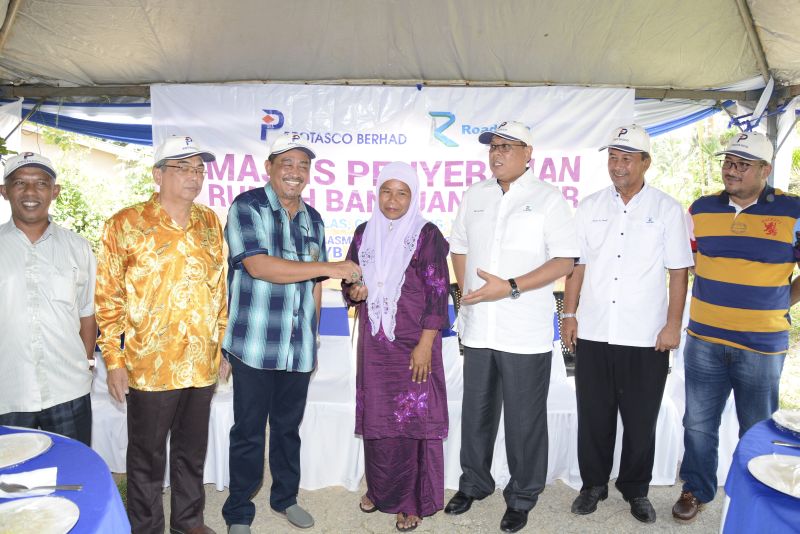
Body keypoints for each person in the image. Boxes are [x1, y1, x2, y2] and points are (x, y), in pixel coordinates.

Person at [221, 133, 362, 533]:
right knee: (248, 432)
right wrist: (332, 267)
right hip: (254, 344)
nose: (295, 172)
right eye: (287, 163)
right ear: (269, 167)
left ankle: (285, 498)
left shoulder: (313, 218)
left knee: (287, 430)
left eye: (303, 165)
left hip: (298, 347)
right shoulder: (247, 207)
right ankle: (238, 511)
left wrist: (312, 336)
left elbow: (315, 284)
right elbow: (259, 267)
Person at [445, 121, 579, 533]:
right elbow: (460, 247)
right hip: (480, 325)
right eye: (493, 147)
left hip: (523, 328)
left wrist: (512, 287)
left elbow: (565, 260)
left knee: (524, 419)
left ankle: (522, 496)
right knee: (477, 411)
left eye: (507, 146)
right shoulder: (476, 195)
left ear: (528, 154)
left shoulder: (548, 199)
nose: (497, 153)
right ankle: (475, 483)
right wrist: (471, 293)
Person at [95, 136, 227, 534]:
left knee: (191, 452)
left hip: (200, 362)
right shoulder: (125, 224)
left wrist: (219, 346)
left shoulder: (209, 221)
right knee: (147, 457)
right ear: (158, 175)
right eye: (183, 168)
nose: (194, 177)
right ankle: (146, 527)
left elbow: (219, 288)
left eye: (199, 169)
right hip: (150, 363)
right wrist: (115, 362)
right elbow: (108, 299)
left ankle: (188, 522)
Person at [562, 125, 693, 523]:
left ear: (645, 162)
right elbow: (577, 267)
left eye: (626, 158)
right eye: (613, 157)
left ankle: (636, 490)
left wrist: (673, 325)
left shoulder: (667, 209)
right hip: (596, 329)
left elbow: (678, 273)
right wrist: (569, 314)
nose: (617, 166)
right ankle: (593, 485)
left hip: (645, 335)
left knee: (640, 419)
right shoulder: (588, 206)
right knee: (594, 415)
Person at [672, 131, 800, 522]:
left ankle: (755, 496)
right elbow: (689, 262)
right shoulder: (702, 209)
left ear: (766, 169)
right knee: (697, 423)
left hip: (762, 344)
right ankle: (697, 489)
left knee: (757, 427)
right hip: (704, 339)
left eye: (743, 164)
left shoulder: (793, 211)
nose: (732, 170)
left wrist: (780, 300)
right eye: (729, 161)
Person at [342, 162, 450, 533]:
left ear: (414, 195)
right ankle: (382, 490)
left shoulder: (427, 234)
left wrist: (425, 344)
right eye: (386, 191)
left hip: (414, 343)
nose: (392, 199)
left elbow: (438, 293)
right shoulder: (362, 233)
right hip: (375, 343)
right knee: (378, 417)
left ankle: (412, 501)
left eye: (401, 192)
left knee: (413, 422)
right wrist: (355, 291)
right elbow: (351, 280)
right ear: (376, 193)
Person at [0, 152, 96, 445]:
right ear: (4, 191)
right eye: (20, 183)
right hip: (8, 391)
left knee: (71, 474)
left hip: (68, 388)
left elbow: (86, 314)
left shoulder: (78, 248)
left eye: (41, 183)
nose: (30, 192)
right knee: (10, 482)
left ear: (55, 191)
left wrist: (86, 363)